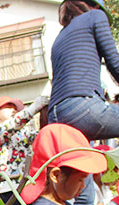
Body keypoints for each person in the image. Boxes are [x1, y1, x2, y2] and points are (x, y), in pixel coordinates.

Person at [48, 0, 119, 141]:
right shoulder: (95, 15)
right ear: (96, 6)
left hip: (56, 118)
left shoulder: (59, 37)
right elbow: (114, 63)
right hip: (82, 108)